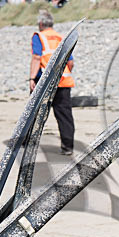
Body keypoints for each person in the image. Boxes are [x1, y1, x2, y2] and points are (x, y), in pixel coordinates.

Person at [29, 9, 76, 155]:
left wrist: (31, 78)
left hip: (45, 82)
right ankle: (68, 146)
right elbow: (71, 62)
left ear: (41, 23)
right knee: (64, 115)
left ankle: (29, 143)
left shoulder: (39, 36)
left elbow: (37, 57)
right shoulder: (61, 38)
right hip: (63, 81)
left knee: (34, 112)